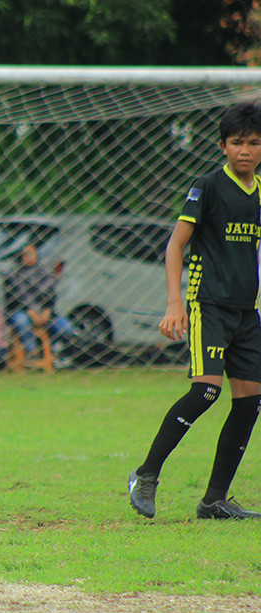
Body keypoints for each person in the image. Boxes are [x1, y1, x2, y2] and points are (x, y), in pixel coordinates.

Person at [129, 100, 261, 521]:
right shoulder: (207, 187)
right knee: (206, 391)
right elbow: (175, 245)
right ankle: (146, 474)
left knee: (250, 401)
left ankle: (214, 501)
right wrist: (175, 303)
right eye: (237, 142)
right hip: (209, 305)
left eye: (253, 143)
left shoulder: (260, 192)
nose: (245, 150)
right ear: (223, 146)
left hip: (247, 312)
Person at [2, 243, 74, 359]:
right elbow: (16, 299)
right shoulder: (12, 275)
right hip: (21, 311)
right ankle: (33, 353)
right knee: (21, 321)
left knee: (66, 328)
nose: (28, 257)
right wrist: (31, 312)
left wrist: (47, 311)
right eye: (25, 254)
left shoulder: (44, 273)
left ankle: (51, 350)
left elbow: (50, 295)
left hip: (43, 312)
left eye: (31, 254)